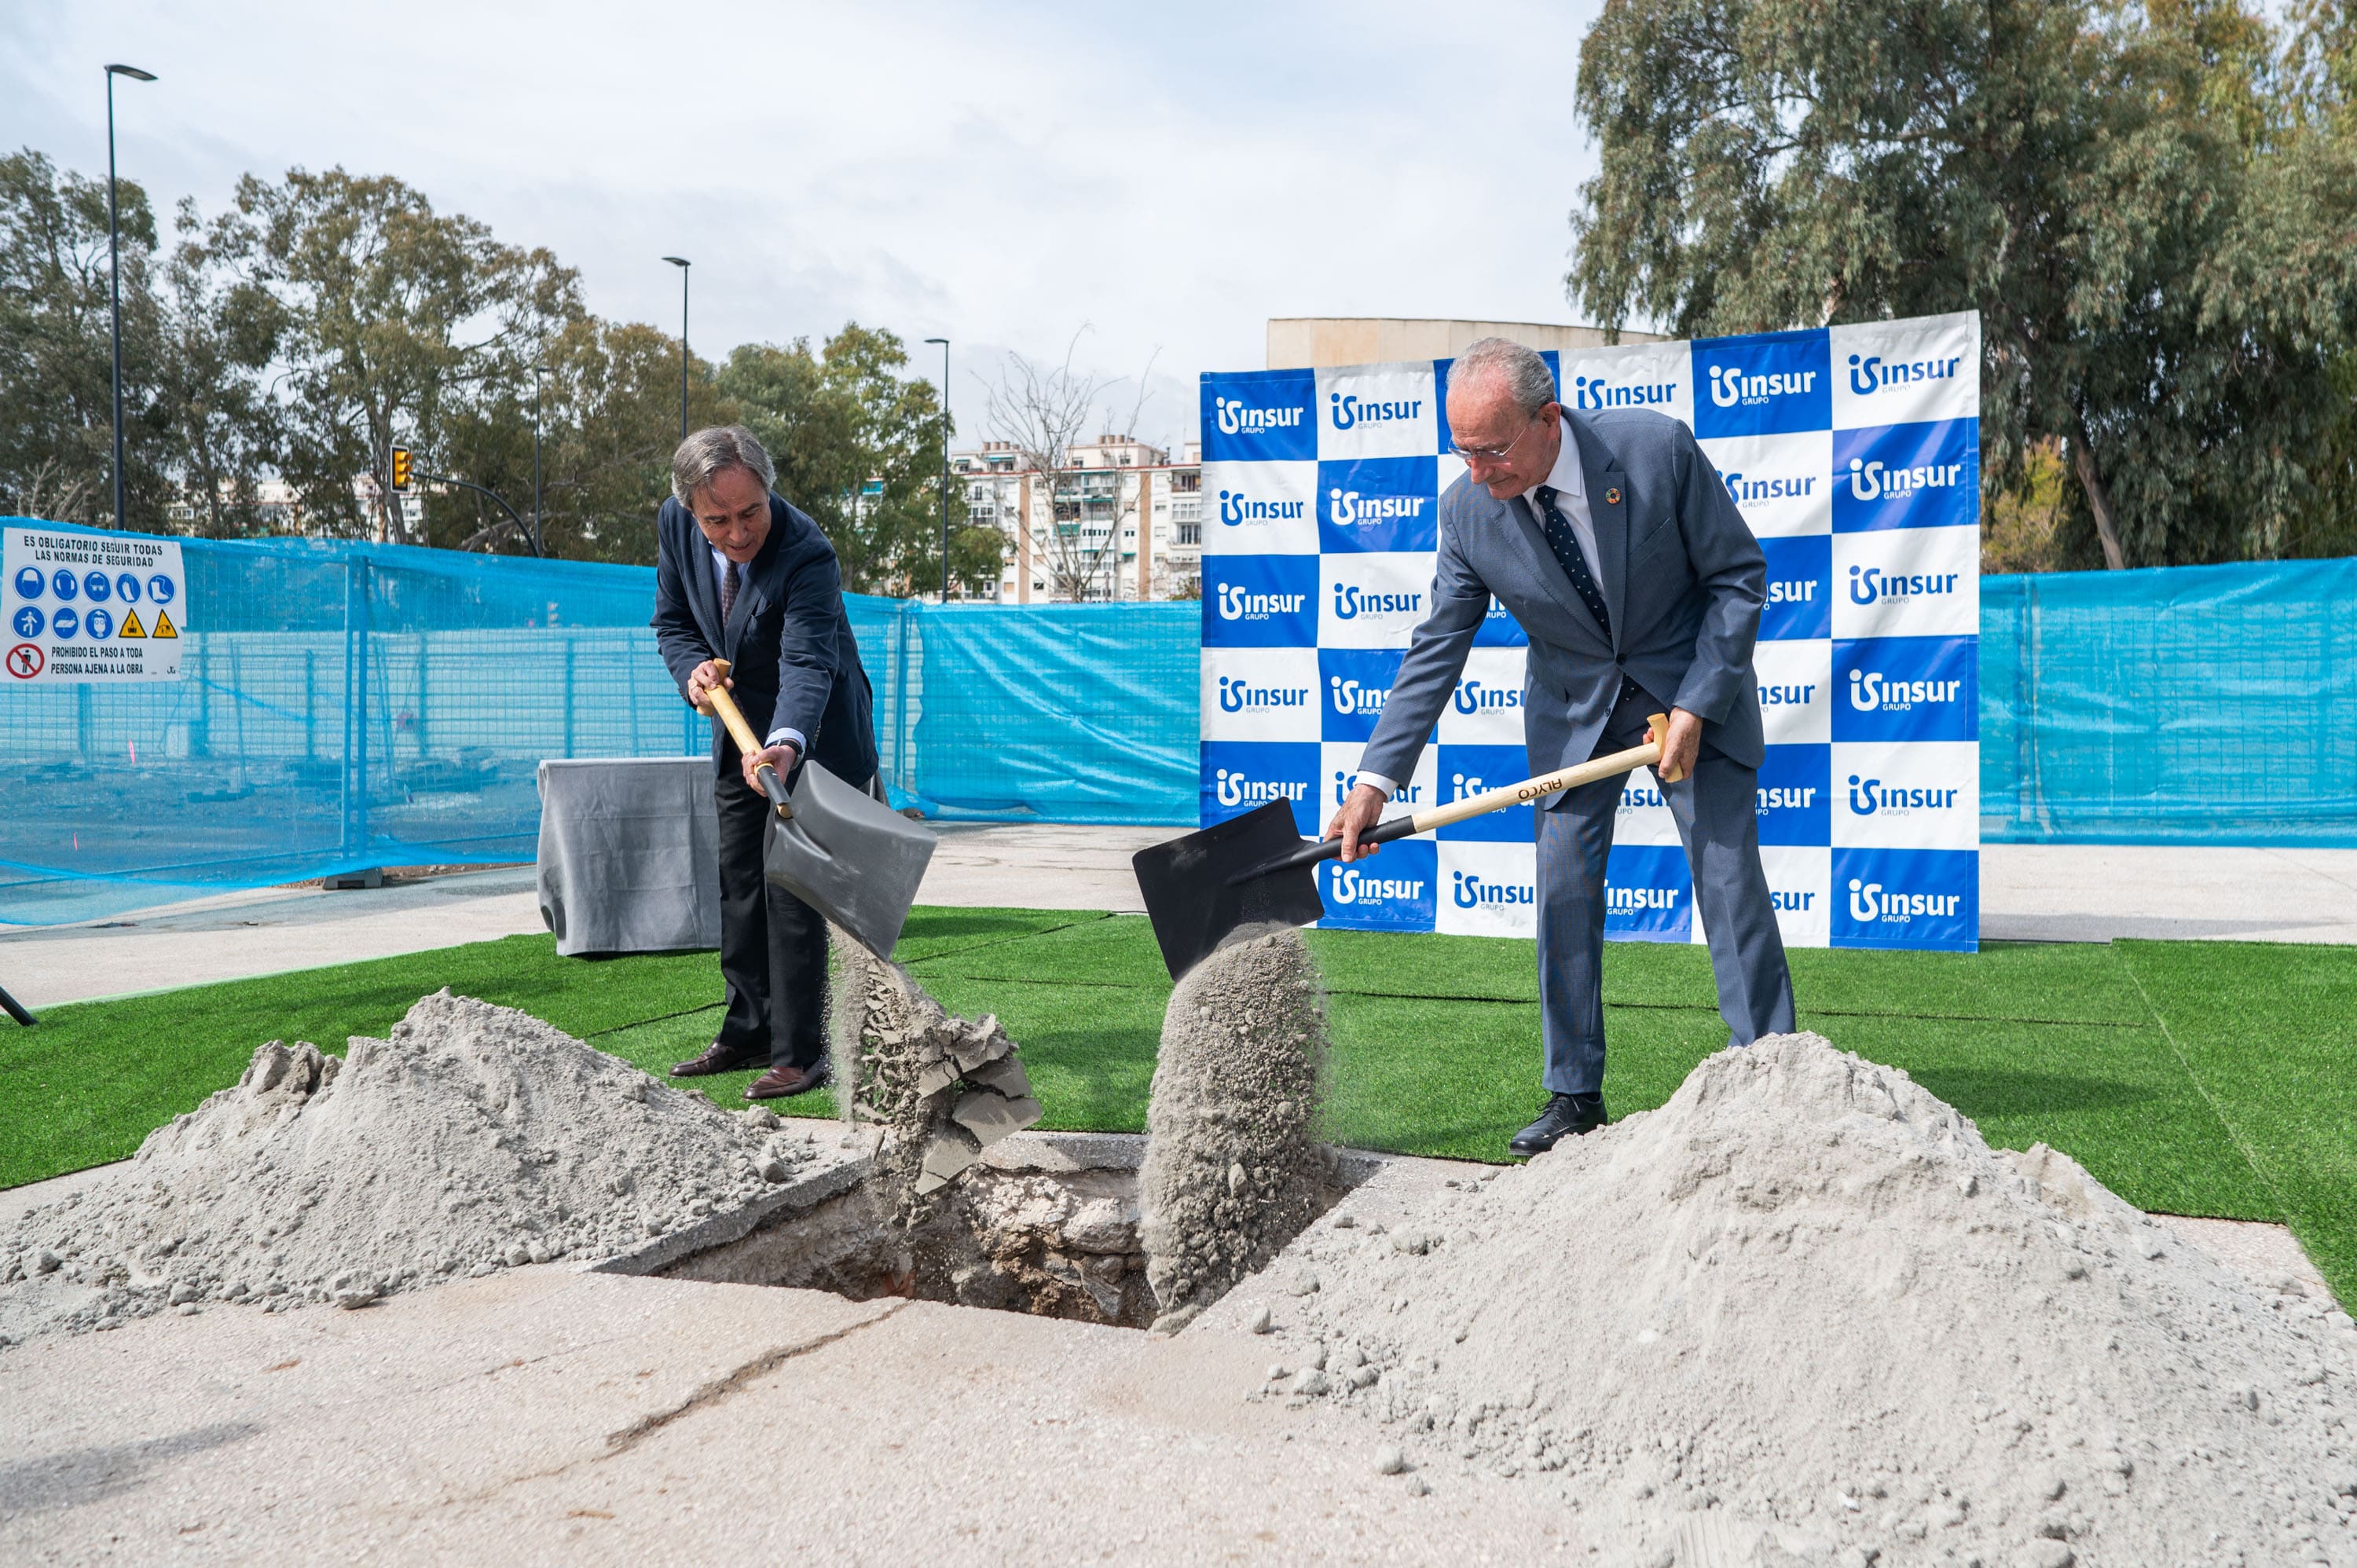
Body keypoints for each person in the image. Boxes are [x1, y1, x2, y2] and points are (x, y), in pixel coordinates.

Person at [1325, 339, 1794, 1154]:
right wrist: (1376, 780)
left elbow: (1738, 577)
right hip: (1575, 711)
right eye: (1462, 451)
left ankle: (1770, 1074)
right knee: (1563, 888)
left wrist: (1695, 703)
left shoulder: (1655, 450)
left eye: (1492, 449)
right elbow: (1437, 647)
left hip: (1690, 693)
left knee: (1726, 875)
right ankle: (1574, 1094)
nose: (1477, 471)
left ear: (1548, 420)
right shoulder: (1468, 511)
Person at [651, 425, 880, 1100]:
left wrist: (785, 741)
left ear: (767, 491)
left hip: (814, 732)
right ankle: (748, 1028)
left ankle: (801, 1053)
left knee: (794, 890)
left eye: (750, 512)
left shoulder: (808, 553)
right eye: (717, 520)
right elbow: (673, 623)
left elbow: (808, 662)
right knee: (742, 881)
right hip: (736, 725)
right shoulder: (676, 523)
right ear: (691, 510)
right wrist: (692, 671)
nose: (737, 532)